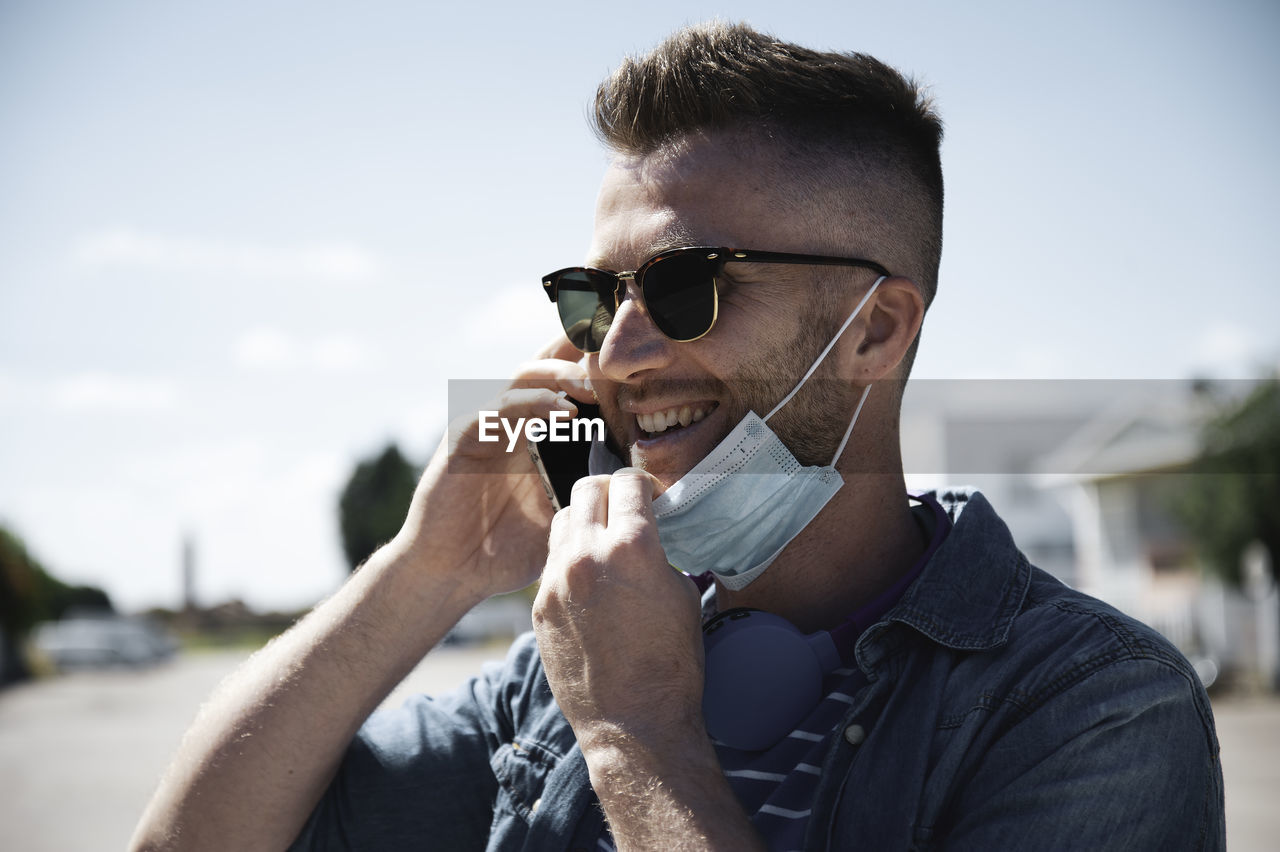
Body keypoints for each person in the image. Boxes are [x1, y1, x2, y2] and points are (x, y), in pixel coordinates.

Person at [132, 21, 1225, 851]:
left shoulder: (1089, 704)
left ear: (875, 329)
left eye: (687, 286)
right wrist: (427, 569)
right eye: (591, 299)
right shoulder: (570, 657)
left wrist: (636, 740)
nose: (612, 357)